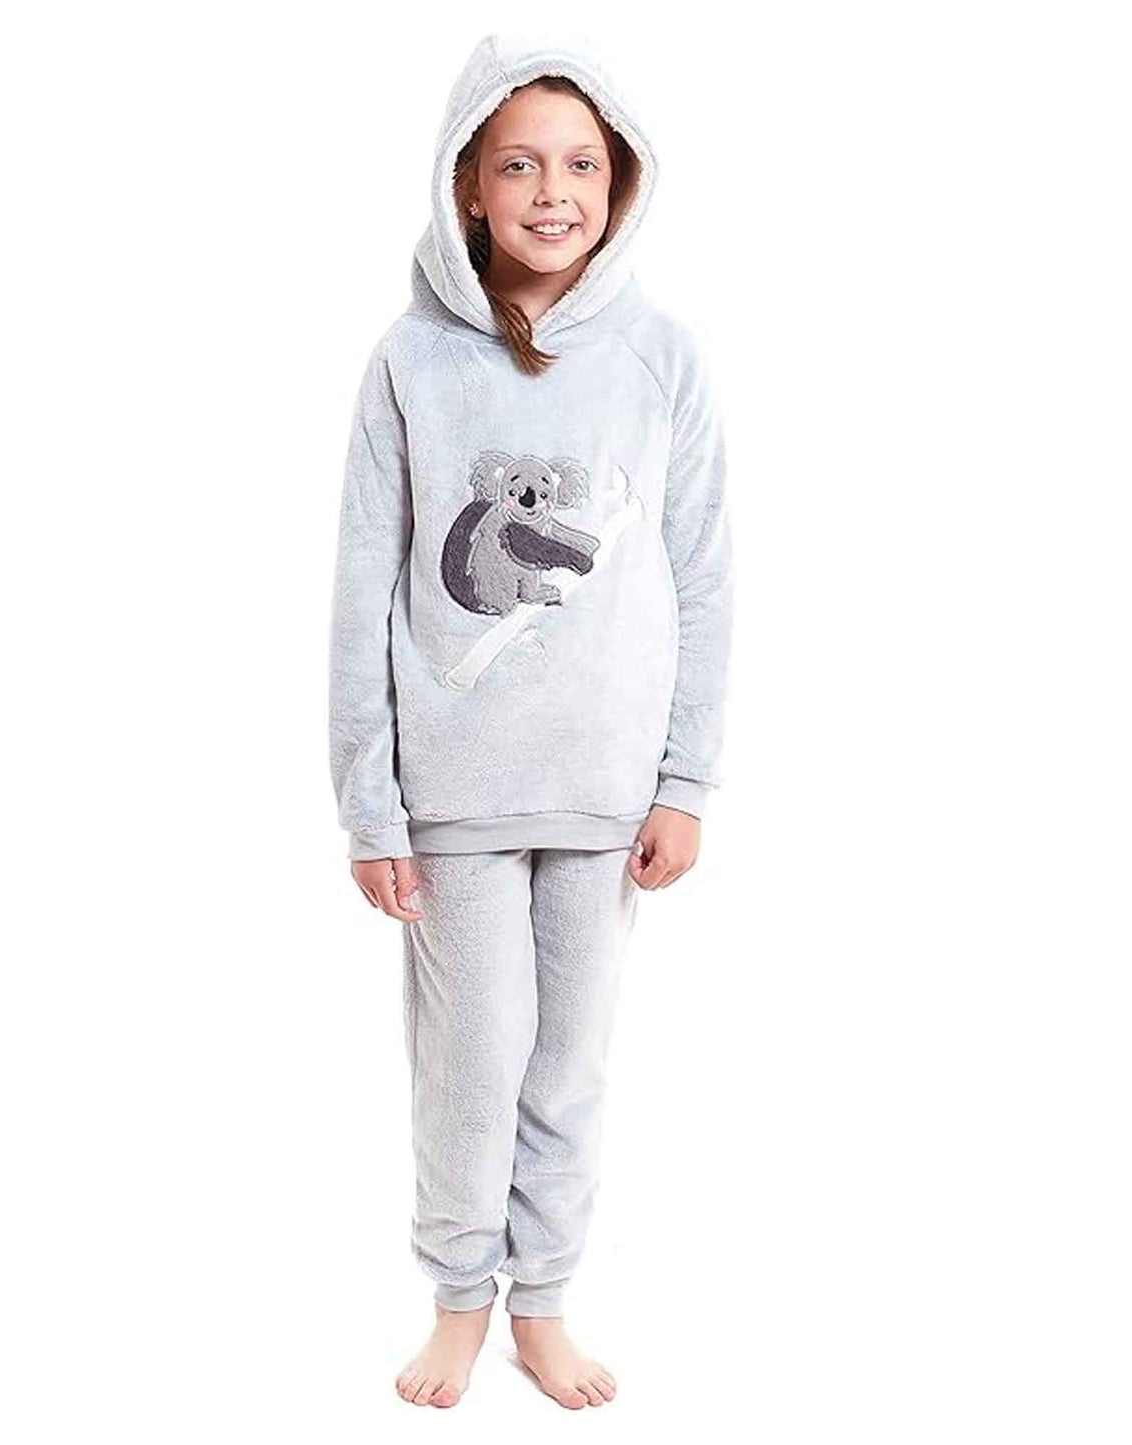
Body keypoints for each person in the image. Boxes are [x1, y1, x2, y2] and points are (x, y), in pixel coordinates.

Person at [327, 32, 734, 1410]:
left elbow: (701, 574)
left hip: (606, 793)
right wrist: (370, 804)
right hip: (452, 793)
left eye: (579, 165)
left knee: (567, 1066)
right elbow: (362, 588)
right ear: (470, 183)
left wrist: (684, 778)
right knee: (471, 1060)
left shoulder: (660, 357)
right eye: (518, 165)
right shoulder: (410, 363)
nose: (552, 192)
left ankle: (542, 1303)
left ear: (618, 182)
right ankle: (458, 1300)